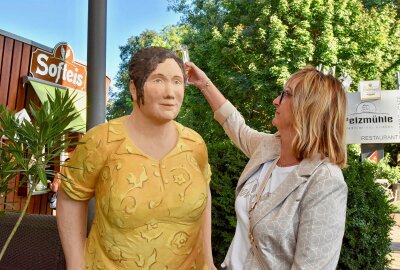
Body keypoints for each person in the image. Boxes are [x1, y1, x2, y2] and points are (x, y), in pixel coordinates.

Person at [57, 47, 215, 270]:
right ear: (134, 88)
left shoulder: (195, 144)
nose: (170, 92)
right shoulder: (101, 141)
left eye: (178, 81)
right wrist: (75, 265)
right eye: (158, 80)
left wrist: (208, 260)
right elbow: (71, 197)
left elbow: (203, 194)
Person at [185, 62, 348, 270]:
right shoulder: (270, 148)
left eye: (286, 94)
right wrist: (203, 83)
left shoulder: (325, 181)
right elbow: (235, 125)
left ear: (309, 107)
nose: (275, 101)